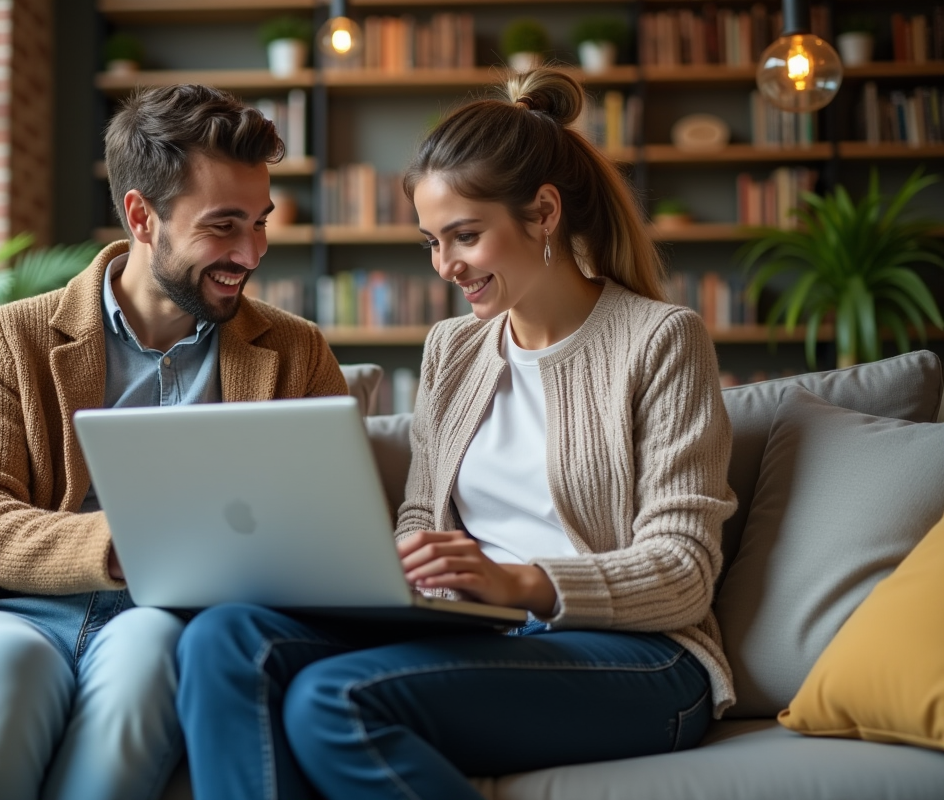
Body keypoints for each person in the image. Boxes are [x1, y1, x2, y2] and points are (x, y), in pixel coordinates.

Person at [176, 66, 739, 799]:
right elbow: (422, 513)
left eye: (465, 236)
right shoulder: (454, 349)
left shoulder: (660, 339)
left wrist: (521, 582)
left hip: (643, 659)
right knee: (223, 640)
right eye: (430, 243)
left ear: (543, 213)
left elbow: (685, 571)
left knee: (334, 699)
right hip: (482, 632)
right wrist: (409, 570)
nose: (446, 266)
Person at [0, 84, 348, 800]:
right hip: (2, 611)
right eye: (224, 226)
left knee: (151, 660)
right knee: (10, 672)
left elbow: (333, 527)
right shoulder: (13, 337)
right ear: (142, 217)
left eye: (261, 223)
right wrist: (117, 543)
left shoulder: (296, 352)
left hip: (160, 622)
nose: (251, 252)